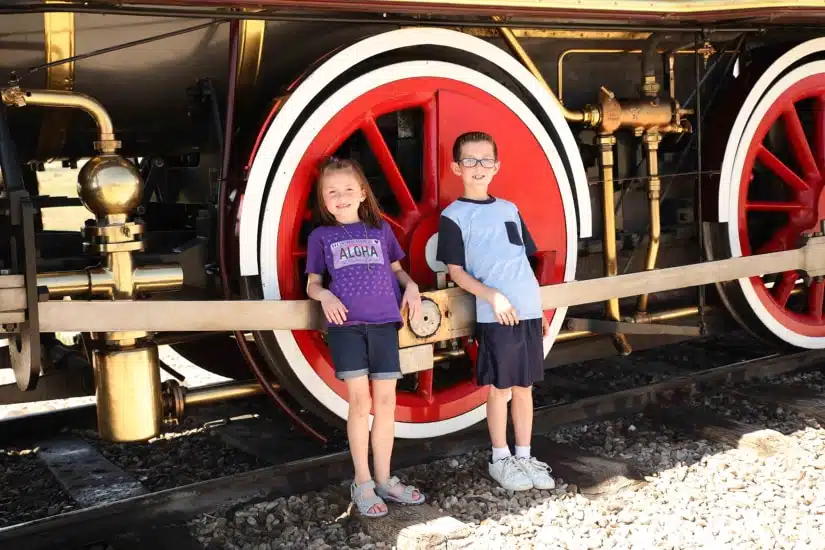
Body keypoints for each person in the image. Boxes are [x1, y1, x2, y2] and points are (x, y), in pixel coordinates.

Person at [305, 156, 426, 517]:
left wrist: (412, 286)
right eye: (332, 192)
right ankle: (362, 481)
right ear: (323, 199)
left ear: (361, 192)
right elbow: (312, 284)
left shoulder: (380, 231)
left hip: (385, 323)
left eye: (346, 189)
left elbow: (398, 271)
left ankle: (386, 479)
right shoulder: (320, 236)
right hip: (347, 328)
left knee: (386, 403)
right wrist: (325, 295)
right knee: (360, 404)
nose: (340, 197)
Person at [436, 131, 556, 492]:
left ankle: (524, 454)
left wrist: (541, 309)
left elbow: (523, 261)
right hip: (497, 312)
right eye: (469, 161)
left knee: (525, 387)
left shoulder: (510, 209)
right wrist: (492, 297)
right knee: (500, 389)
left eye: (485, 160)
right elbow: (456, 272)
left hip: (528, 308)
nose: (478, 167)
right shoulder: (453, 216)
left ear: (496, 167)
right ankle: (500, 458)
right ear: (456, 167)